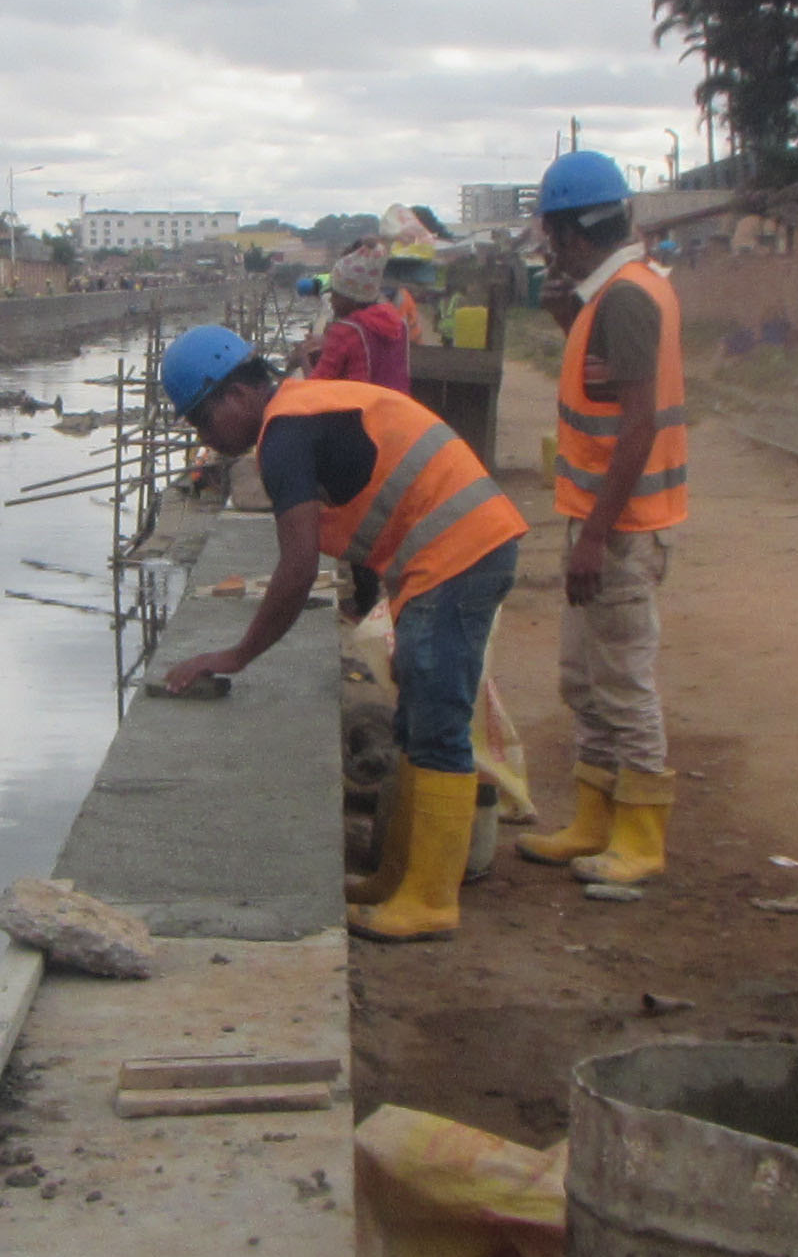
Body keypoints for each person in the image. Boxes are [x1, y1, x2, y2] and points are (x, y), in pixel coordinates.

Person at [157, 325, 527, 943]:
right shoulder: (302, 411)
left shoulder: (285, 435)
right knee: (417, 719)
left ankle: (431, 900)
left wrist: (237, 654)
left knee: (437, 726)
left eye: (201, 422)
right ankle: (398, 878)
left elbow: (298, 568)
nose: (207, 441)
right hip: (442, 556)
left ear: (232, 397)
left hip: (459, 551)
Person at [515, 148, 690, 889]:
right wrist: (564, 319)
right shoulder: (612, 294)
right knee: (583, 680)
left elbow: (639, 423)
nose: (548, 248)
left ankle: (640, 838)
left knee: (622, 682)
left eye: (552, 233)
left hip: (620, 527)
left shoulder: (624, 297)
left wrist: (594, 536)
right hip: (601, 518)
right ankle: (594, 819)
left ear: (573, 231)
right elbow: (605, 389)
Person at [310, 263, 415, 391]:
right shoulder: (399, 324)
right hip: (394, 405)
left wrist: (301, 358)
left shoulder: (344, 331)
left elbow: (315, 387)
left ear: (351, 298)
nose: (331, 301)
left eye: (335, 295)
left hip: (359, 407)